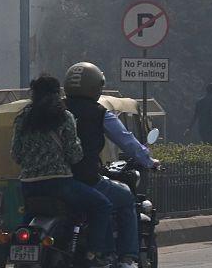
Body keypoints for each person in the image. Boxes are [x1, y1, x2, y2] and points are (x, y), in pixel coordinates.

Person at [63, 62, 159, 268]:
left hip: (52, 180)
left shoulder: (56, 110)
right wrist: (148, 161)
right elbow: (126, 140)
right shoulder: (98, 113)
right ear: (95, 86)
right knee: (124, 197)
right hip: (85, 179)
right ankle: (126, 258)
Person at [11, 75, 113, 267]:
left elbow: (15, 155)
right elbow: (75, 154)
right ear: (57, 94)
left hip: (28, 187)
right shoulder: (64, 117)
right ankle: (94, 254)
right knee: (102, 205)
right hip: (59, 185)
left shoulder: (22, 119)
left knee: (25, 225)